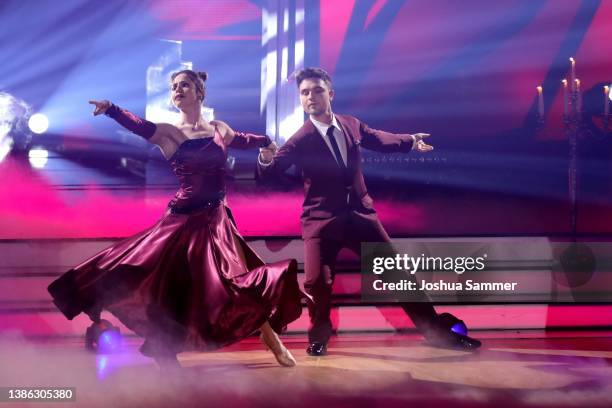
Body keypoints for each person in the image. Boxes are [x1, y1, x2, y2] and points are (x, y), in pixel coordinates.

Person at [48, 70, 303, 368]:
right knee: (171, 289)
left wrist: (267, 142)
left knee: (238, 283)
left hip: (217, 220)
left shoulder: (219, 128)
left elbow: (245, 139)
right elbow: (140, 126)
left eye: (184, 85)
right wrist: (113, 110)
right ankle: (163, 350)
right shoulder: (170, 132)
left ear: (199, 92)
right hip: (183, 222)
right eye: (173, 87)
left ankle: (273, 342)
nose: (177, 90)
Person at [258, 67, 482, 356]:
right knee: (317, 282)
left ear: (330, 94)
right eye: (304, 93)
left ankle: (436, 332)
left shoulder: (351, 124)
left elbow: (379, 139)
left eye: (317, 90)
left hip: (361, 216)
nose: (310, 97)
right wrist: (265, 162)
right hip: (321, 221)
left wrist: (410, 141)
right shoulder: (300, 138)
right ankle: (318, 339)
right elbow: (274, 168)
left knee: (398, 274)